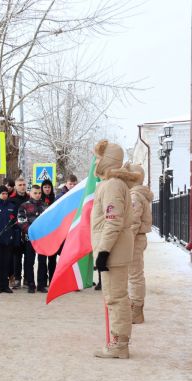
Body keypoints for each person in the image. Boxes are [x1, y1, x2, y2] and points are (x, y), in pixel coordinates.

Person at [91, 140, 138, 359]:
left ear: (106, 161)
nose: (96, 163)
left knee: (115, 297)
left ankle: (119, 344)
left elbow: (113, 221)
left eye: (99, 159)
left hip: (113, 250)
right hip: (116, 249)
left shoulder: (111, 185)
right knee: (116, 296)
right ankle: (118, 341)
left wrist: (103, 251)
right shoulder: (113, 184)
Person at [125, 163, 153, 324]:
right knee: (135, 273)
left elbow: (133, 222)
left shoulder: (134, 196)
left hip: (134, 239)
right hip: (138, 238)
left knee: (134, 275)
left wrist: (127, 240)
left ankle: (136, 310)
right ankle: (135, 307)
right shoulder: (138, 193)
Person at [18, 185, 47, 293]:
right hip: (29, 238)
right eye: (35, 193)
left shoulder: (45, 206)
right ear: (30, 193)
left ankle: (41, 284)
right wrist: (32, 231)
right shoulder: (24, 206)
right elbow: (21, 221)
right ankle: (30, 284)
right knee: (29, 261)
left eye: (39, 193)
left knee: (43, 261)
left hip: (42, 239)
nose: (38, 195)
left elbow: (48, 222)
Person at [8, 177, 29, 289]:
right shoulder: (11, 199)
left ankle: (27, 278)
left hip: (28, 231)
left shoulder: (30, 198)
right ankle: (17, 278)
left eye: (23, 184)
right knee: (17, 256)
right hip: (16, 231)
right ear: (15, 186)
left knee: (28, 255)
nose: (22, 186)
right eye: (20, 185)